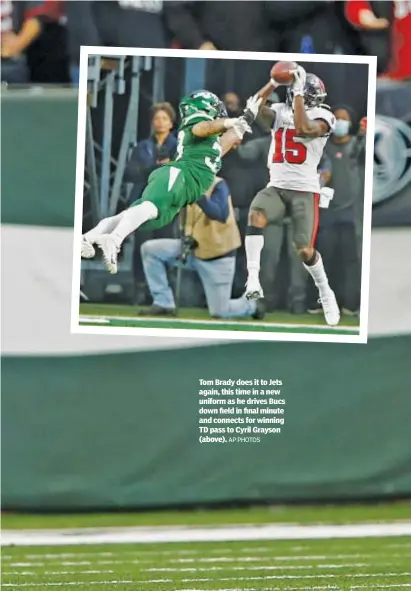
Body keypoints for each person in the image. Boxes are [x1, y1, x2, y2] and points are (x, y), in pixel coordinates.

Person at [81, 90, 261, 274]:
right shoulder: (196, 124)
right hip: (180, 176)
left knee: (138, 215)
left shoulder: (212, 144)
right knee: (151, 208)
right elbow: (205, 127)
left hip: (185, 189)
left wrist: (247, 117)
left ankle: (89, 237)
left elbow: (229, 138)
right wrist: (229, 121)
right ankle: (115, 239)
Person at [244, 65, 340, 326]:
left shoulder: (325, 116)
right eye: (303, 93)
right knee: (256, 215)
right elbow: (252, 109)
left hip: (305, 191)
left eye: (307, 94)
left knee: (304, 250)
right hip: (276, 186)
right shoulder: (280, 111)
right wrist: (273, 83)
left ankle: (325, 290)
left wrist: (296, 94)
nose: (307, 98)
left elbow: (303, 130)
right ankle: (252, 278)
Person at [139, 176, 263, 319]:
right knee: (151, 250)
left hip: (217, 256)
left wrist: (198, 195)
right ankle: (163, 302)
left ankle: (251, 305)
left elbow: (220, 214)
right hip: (192, 250)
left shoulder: (218, 185)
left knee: (220, 312)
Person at [307, 106, 366, 316]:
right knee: (326, 259)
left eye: (344, 119)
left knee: (351, 260)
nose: (341, 122)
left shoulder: (358, 147)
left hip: (351, 213)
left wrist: (362, 135)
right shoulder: (323, 149)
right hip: (328, 214)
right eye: (337, 119)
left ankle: (351, 304)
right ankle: (323, 302)